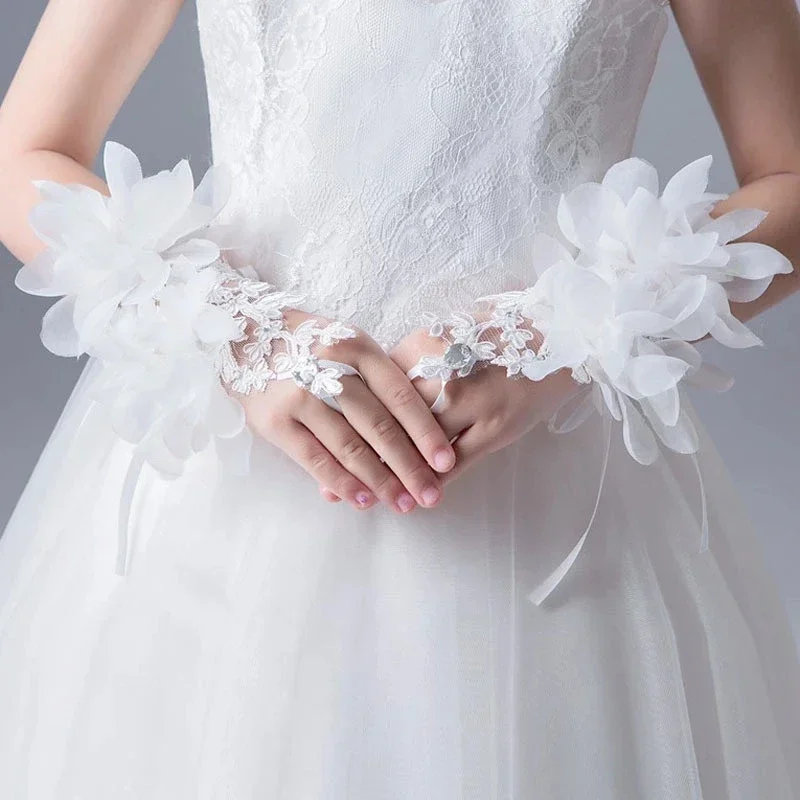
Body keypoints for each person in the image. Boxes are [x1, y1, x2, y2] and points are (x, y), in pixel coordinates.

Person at [0, 0, 799, 796]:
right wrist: (240, 335)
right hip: (230, 475)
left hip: (548, 509)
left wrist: (557, 336)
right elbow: (22, 149)